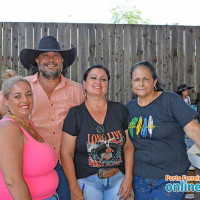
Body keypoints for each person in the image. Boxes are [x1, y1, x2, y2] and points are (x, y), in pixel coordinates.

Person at [0, 36, 85, 200]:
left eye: (56, 56)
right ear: (37, 60)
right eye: (45, 55)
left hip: (66, 163)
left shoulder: (77, 91)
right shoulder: (22, 87)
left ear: (62, 61)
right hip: (28, 168)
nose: (51, 60)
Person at [125, 61, 200, 200]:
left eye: (145, 79)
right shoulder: (128, 109)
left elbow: (194, 131)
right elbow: (127, 146)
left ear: (154, 81)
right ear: (131, 83)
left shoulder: (170, 100)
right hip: (139, 178)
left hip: (171, 177)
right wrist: (127, 179)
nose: (141, 83)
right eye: (136, 79)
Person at [61, 65, 134, 200]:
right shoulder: (75, 114)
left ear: (107, 84)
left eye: (103, 79)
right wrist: (73, 187)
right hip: (88, 182)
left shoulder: (120, 110)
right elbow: (66, 153)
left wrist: (128, 179)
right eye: (93, 78)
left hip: (118, 179)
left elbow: (128, 146)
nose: (98, 82)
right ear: (84, 83)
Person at [0, 76, 59, 200]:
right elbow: (12, 180)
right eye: (17, 96)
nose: (25, 100)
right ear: (6, 101)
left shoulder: (26, 123)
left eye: (28, 94)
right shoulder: (8, 127)